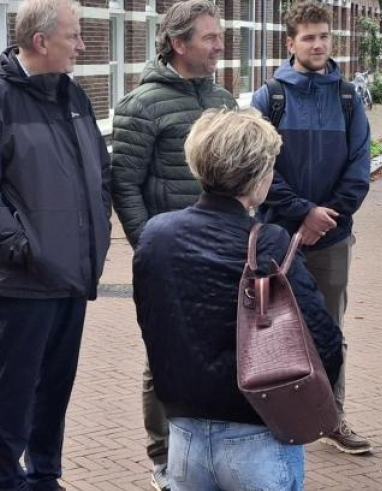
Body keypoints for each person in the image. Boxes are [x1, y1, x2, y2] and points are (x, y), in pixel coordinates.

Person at [133, 108, 342, 491]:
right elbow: (322, 339)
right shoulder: (269, 242)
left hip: (184, 432)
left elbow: (153, 323)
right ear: (259, 176)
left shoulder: (156, 234)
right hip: (258, 431)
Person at [0, 0, 112, 491]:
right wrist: (20, 249)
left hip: (72, 274)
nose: (83, 45)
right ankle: (7, 480)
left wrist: (99, 237)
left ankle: (46, 475)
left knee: (55, 387)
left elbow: (101, 173)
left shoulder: (73, 95)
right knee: (13, 387)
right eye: (74, 35)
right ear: (42, 39)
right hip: (24, 280)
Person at [104, 0, 237, 490]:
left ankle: (207, 442)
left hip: (222, 253)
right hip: (168, 256)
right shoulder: (140, 105)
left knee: (220, 347)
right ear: (179, 44)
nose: (220, 45)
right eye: (210, 37)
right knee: (162, 356)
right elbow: (125, 184)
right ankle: (162, 454)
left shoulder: (223, 101)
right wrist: (147, 247)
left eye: (219, 36)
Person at [248, 0, 372, 455]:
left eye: (323, 36)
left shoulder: (347, 98)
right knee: (275, 327)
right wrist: (302, 212)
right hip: (280, 236)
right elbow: (261, 166)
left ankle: (333, 418)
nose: (318, 44)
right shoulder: (271, 98)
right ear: (290, 43)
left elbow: (360, 167)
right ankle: (276, 417)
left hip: (332, 237)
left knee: (330, 327)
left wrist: (327, 217)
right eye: (308, 37)